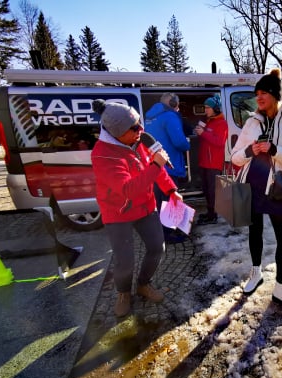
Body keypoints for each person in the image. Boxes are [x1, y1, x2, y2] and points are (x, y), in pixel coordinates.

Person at [91, 99, 183, 318]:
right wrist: (157, 164)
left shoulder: (141, 140)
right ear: (116, 133)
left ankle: (143, 284)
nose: (140, 130)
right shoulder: (102, 154)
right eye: (133, 128)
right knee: (125, 261)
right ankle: (123, 293)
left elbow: (157, 171)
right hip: (118, 212)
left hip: (145, 207)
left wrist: (171, 191)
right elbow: (128, 189)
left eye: (139, 124)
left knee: (156, 248)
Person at [230, 69, 282, 314]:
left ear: (275, 94)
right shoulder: (252, 122)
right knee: (255, 230)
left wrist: (275, 150)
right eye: (257, 93)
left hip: (279, 188)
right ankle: (256, 273)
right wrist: (249, 152)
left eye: (263, 92)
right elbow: (235, 157)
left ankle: (281, 289)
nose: (259, 97)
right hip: (254, 185)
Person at [144, 92, 190, 243]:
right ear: (173, 103)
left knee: (160, 201)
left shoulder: (150, 117)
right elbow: (179, 142)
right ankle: (169, 234)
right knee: (170, 200)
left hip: (155, 166)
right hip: (169, 165)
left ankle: (162, 231)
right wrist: (188, 143)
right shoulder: (170, 117)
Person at [194, 94, 228, 225]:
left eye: (208, 108)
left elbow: (220, 142)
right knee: (206, 189)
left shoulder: (221, 123)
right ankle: (209, 213)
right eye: (205, 107)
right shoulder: (208, 121)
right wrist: (199, 131)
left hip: (213, 163)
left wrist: (204, 133)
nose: (205, 110)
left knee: (212, 191)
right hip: (204, 161)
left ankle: (213, 216)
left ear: (215, 109)